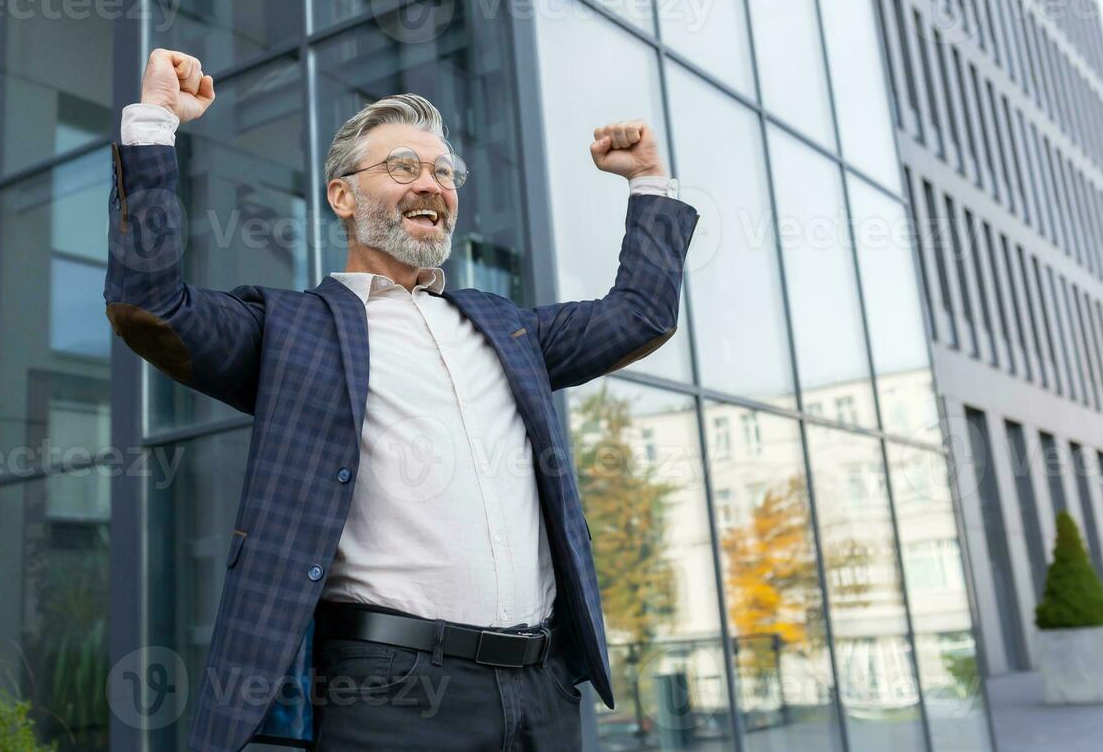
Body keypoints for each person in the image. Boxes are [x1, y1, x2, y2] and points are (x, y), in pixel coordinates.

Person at [106, 48, 699, 750]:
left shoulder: (511, 329)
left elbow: (640, 315)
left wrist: (649, 182)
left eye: (444, 172)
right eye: (405, 168)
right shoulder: (292, 331)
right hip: (391, 693)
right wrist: (153, 127)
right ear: (342, 197)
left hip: (542, 690)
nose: (433, 183)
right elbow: (153, 306)